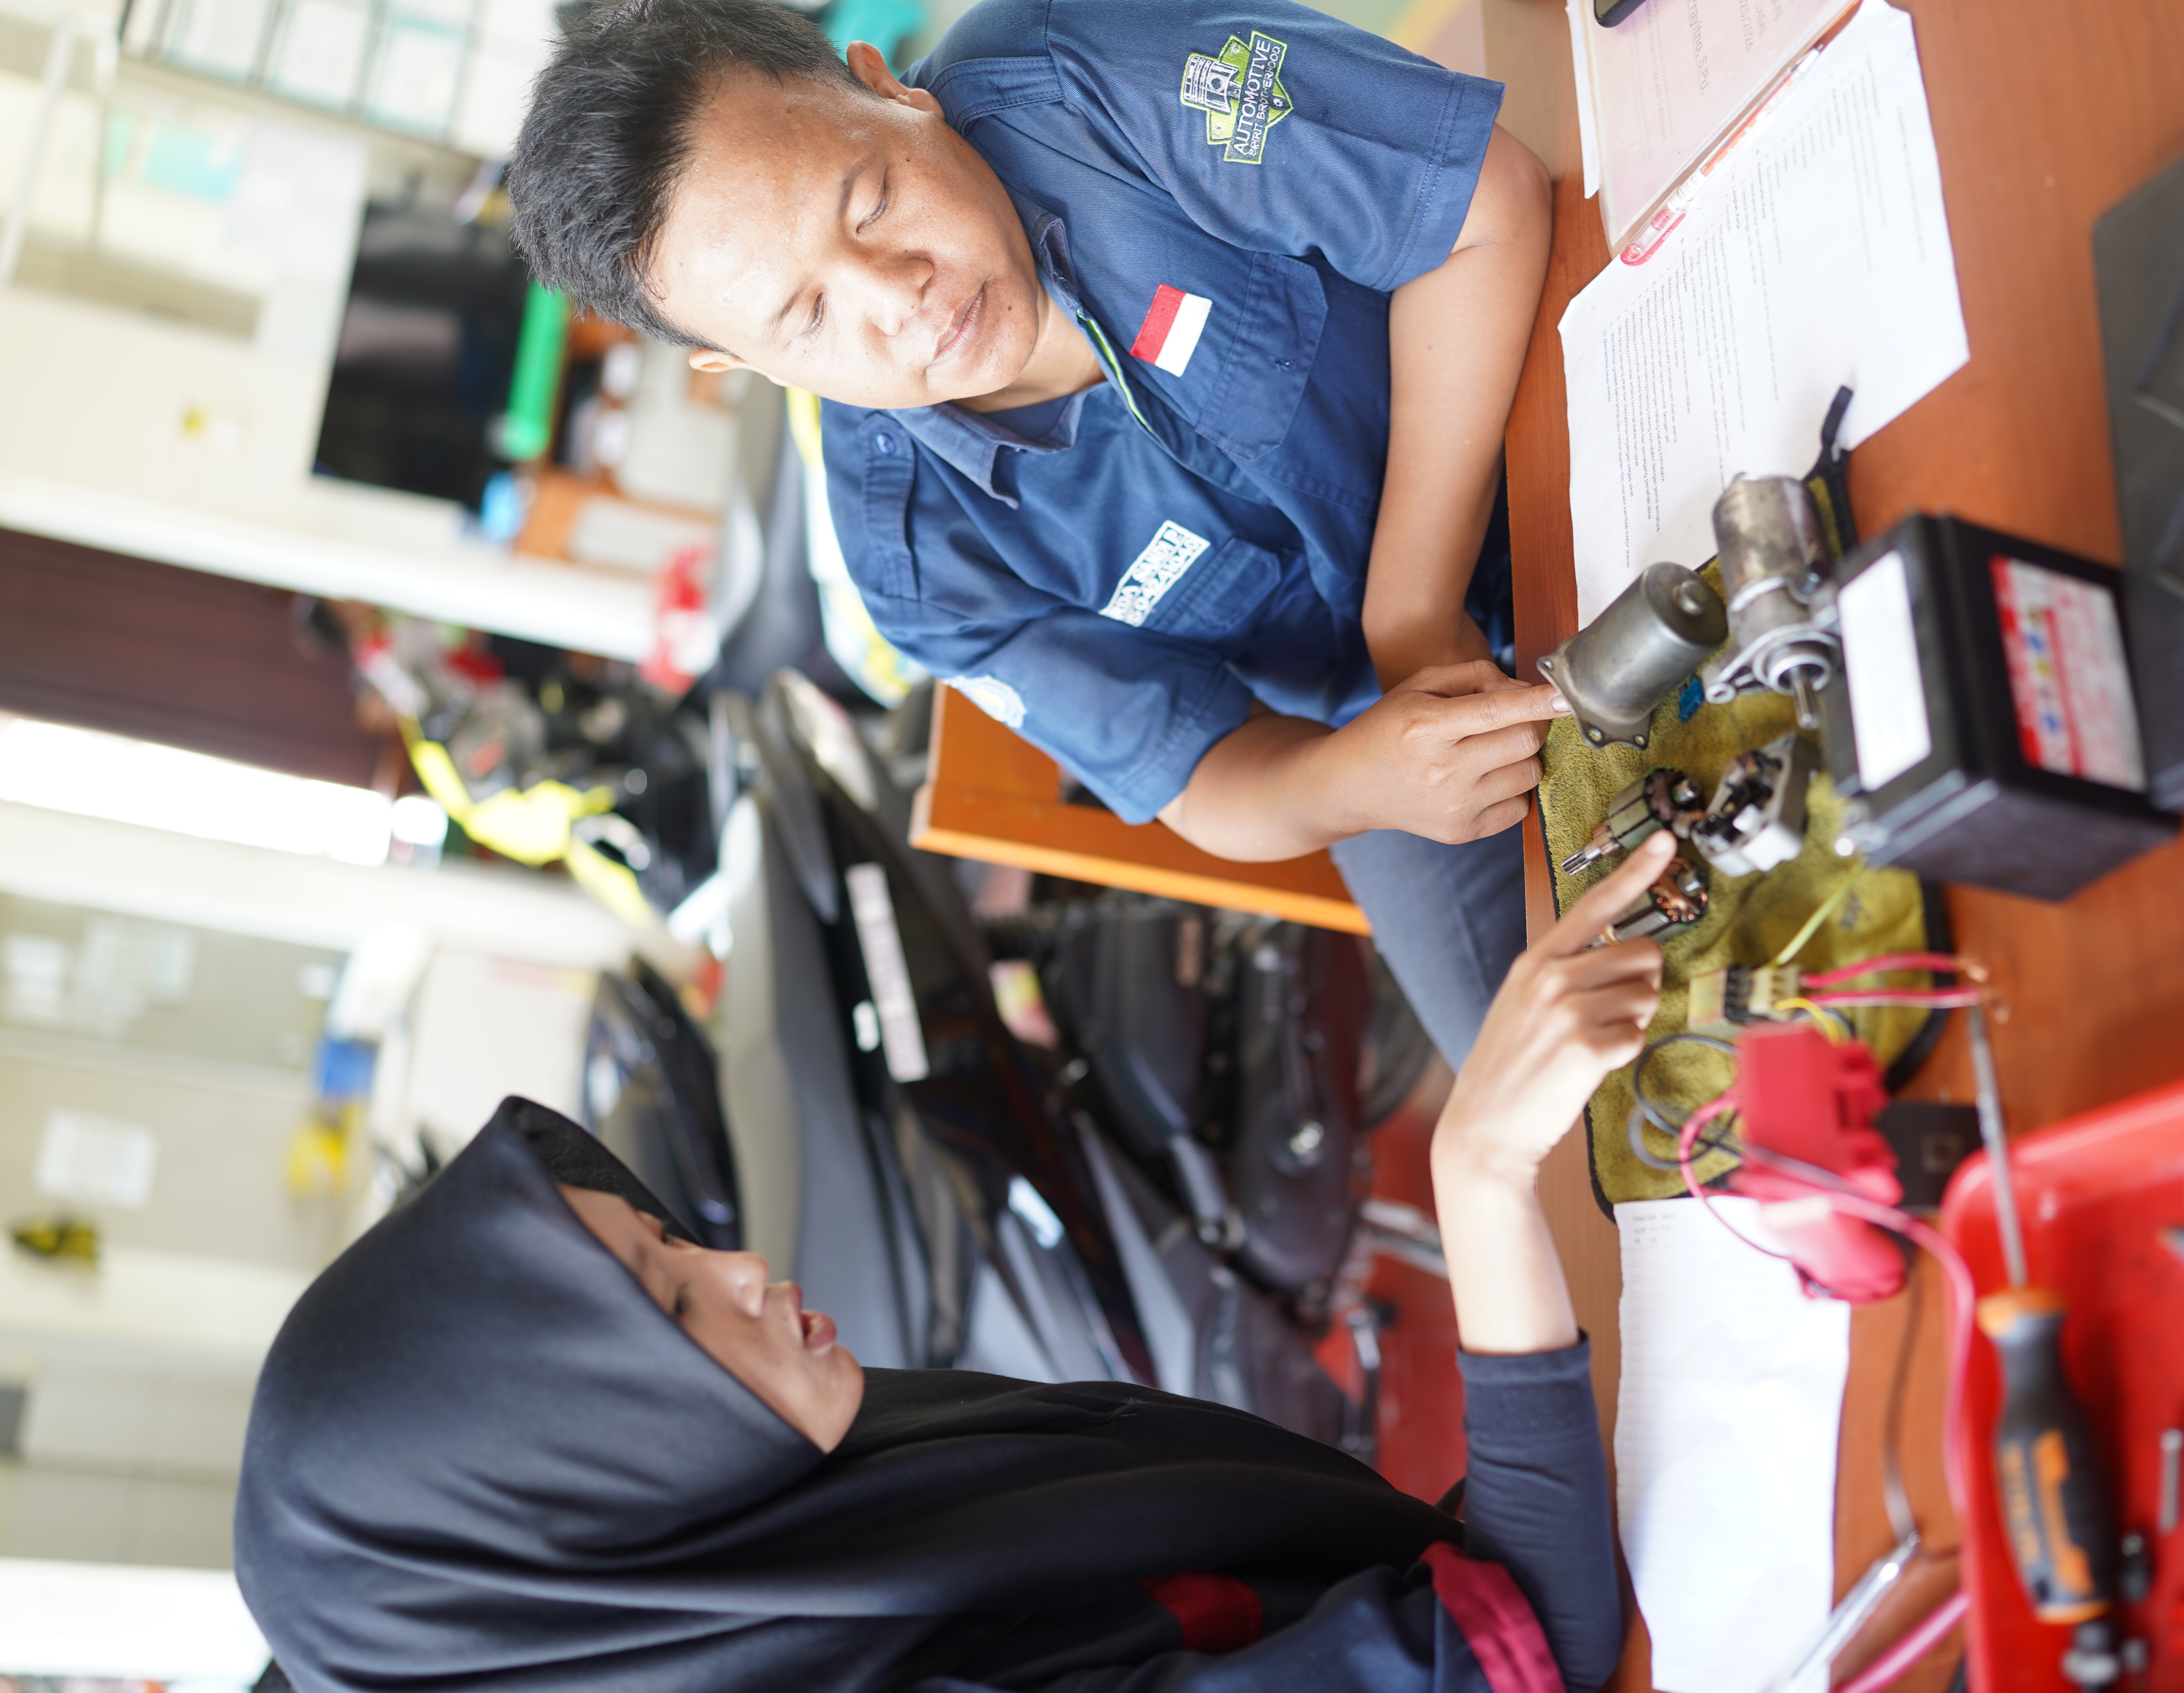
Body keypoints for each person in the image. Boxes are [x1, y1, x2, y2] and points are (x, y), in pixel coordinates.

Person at [233, 834, 1678, 1693]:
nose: (739, 1267)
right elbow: (1517, 1649)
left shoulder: (846, 1537)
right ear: (564, 1501)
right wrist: (1479, 1182)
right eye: (672, 1308)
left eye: (670, 1242)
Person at [505, 0, 1567, 1065]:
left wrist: (1410, 607)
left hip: (1538, 402)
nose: (900, 297)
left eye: (870, 200)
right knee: (1568, 1101)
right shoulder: (916, 567)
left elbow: (1485, 209)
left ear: (887, 87)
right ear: (748, 370)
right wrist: (1359, 778)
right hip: (1386, 715)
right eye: (808, 318)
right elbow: (1204, 777)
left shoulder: (1089, 72)